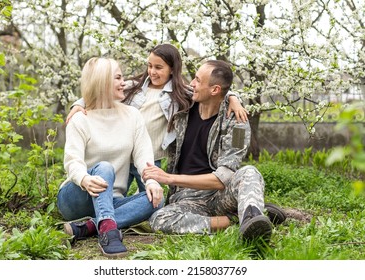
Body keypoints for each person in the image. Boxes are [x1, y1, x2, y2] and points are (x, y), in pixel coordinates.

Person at [66, 44, 249, 194]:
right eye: (149, 66)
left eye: (159, 67)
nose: (152, 71)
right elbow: (103, 87)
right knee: (112, 191)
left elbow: (211, 90)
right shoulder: (134, 87)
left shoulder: (180, 92)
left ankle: (119, 214)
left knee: (150, 197)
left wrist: (232, 97)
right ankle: (107, 215)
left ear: (172, 70)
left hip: (152, 159)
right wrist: (78, 103)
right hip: (126, 155)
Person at [142, 60, 285, 242]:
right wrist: (233, 96)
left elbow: (223, 178)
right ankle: (236, 220)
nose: (191, 83)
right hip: (186, 198)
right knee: (159, 219)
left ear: (215, 90)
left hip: (220, 196)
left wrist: (168, 178)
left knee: (249, 172)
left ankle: (251, 218)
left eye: (197, 80)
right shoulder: (185, 101)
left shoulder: (238, 124)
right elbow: (162, 84)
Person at [57, 57, 164, 258]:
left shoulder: (132, 115)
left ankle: (93, 226)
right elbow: (72, 161)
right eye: (117, 78)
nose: (124, 82)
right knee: (105, 168)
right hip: (77, 196)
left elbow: (143, 154)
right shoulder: (80, 118)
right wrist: (85, 179)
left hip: (112, 200)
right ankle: (107, 232)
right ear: (102, 81)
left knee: (157, 199)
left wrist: (150, 180)